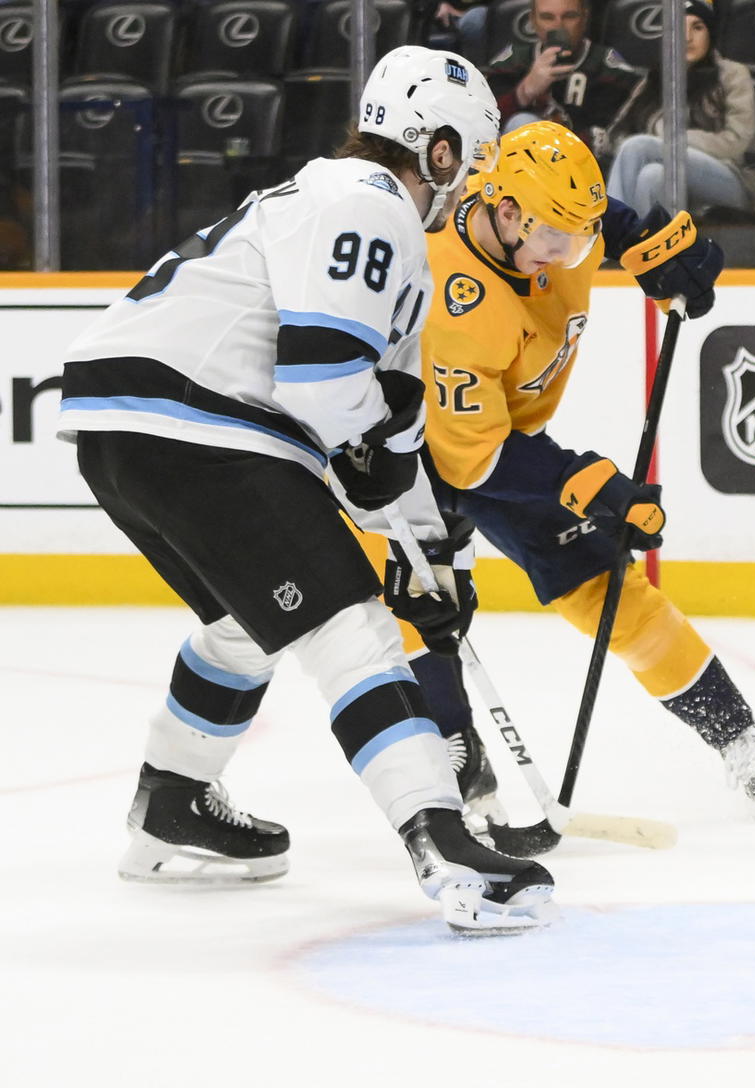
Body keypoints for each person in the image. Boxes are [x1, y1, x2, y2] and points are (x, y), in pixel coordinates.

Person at [54, 47, 556, 933]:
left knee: (246, 622)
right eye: (468, 160)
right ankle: (443, 843)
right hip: (199, 425)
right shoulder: (369, 203)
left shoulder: (344, 211)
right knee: (349, 630)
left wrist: (423, 561)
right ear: (437, 150)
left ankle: (173, 800)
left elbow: (379, 451)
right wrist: (387, 553)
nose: (467, 185)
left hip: (128, 428)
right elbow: (326, 389)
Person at [398, 120, 755, 836]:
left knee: (608, 586)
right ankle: (457, 766)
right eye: (557, 240)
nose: (571, 257)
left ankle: (739, 737)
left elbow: (603, 218)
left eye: (580, 237)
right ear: (507, 215)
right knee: (422, 614)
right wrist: (593, 483)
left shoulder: (546, 212)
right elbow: (469, 460)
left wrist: (654, 251)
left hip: (505, 434)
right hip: (411, 451)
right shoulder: (455, 298)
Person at [606, 1, 755, 215]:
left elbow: (737, 141)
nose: (687, 38)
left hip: (731, 177)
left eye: (697, 27)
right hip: (670, 171)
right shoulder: (655, 78)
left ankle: (611, 236)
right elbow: (616, 133)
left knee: (638, 146)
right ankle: (645, 246)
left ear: (710, 33)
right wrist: (655, 144)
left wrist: (670, 138)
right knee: (653, 176)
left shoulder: (733, 74)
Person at [481, 0, 648, 159]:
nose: (558, 26)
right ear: (533, 20)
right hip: (521, 173)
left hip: (585, 168)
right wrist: (524, 92)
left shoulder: (609, 69)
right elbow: (481, 126)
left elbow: (616, 135)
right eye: (547, 17)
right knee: (522, 123)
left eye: (569, 16)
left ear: (584, 18)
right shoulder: (514, 60)